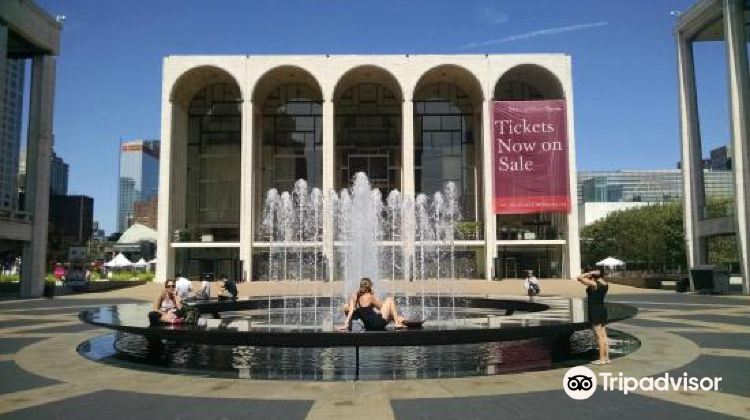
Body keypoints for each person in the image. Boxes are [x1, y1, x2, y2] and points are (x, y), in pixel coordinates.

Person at [339, 278, 405, 331]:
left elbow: (350, 312)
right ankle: (397, 322)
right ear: (369, 286)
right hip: (378, 323)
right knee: (390, 299)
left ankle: (399, 320)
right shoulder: (370, 296)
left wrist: (346, 325)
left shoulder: (354, 297)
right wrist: (396, 316)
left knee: (347, 307)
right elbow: (383, 308)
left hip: (368, 326)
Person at [576, 268, 610, 364]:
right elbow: (584, 281)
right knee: (604, 336)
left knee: (599, 336)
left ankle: (601, 359)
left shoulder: (594, 284)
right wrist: (592, 275)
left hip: (594, 311)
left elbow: (579, 278)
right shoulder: (605, 283)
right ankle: (607, 358)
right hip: (602, 310)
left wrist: (589, 273)